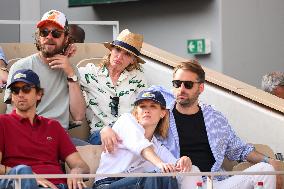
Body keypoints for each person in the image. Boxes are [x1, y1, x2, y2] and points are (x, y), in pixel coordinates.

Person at [101, 60, 282, 189]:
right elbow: (135, 122)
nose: (181, 89)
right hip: (183, 180)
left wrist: (269, 160)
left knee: (265, 170)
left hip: (215, 181)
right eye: (177, 83)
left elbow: (239, 149)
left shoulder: (215, 119)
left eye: (188, 84)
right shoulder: (162, 115)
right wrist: (106, 128)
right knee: (192, 170)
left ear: (200, 88)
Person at [93, 89, 201, 189]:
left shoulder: (156, 144)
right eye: (142, 106)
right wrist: (160, 164)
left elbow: (175, 166)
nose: (146, 110)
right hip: (106, 184)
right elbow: (141, 146)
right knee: (155, 177)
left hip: (135, 183)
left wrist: (184, 161)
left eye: (153, 106)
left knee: (174, 175)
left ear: (163, 113)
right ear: (137, 112)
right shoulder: (126, 121)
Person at [0, 69, 89, 189]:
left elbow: (82, 166)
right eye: (15, 90)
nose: (20, 94)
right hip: (22, 183)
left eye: (26, 89)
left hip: (60, 186)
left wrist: (76, 171)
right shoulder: (2, 122)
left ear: (39, 94)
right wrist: (29, 175)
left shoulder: (53, 126)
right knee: (23, 171)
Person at [4, 10, 86, 130]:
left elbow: (78, 116)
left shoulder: (70, 70)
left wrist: (71, 75)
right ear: (39, 36)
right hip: (28, 133)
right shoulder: (21, 67)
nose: (49, 36)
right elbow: (13, 115)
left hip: (59, 136)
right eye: (44, 32)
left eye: (56, 33)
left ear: (66, 38)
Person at [79, 29, 148, 145]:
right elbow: (67, 75)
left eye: (127, 54)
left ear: (133, 60)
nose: (119, 57)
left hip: (129, 133)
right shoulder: (90, 73)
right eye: (117, 50)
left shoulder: (138, 78)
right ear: (111, 50)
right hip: (101, 134)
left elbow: (147, 106)